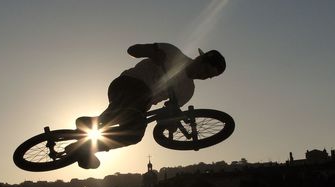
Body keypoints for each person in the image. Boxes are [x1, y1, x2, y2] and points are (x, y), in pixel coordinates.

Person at [73, 43, 226, 169]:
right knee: (139, 96)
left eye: (209, 76)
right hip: (127, 83)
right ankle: (90, 126)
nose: (204, 76)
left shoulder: (188, 91)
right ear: (200, 59)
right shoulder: (172, 53)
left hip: (141, 107)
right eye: (206, 70)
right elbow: (131, 49)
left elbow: (167, 113)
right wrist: (151, 52)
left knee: (134, 136)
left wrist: (170, 123)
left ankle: (87, 147)